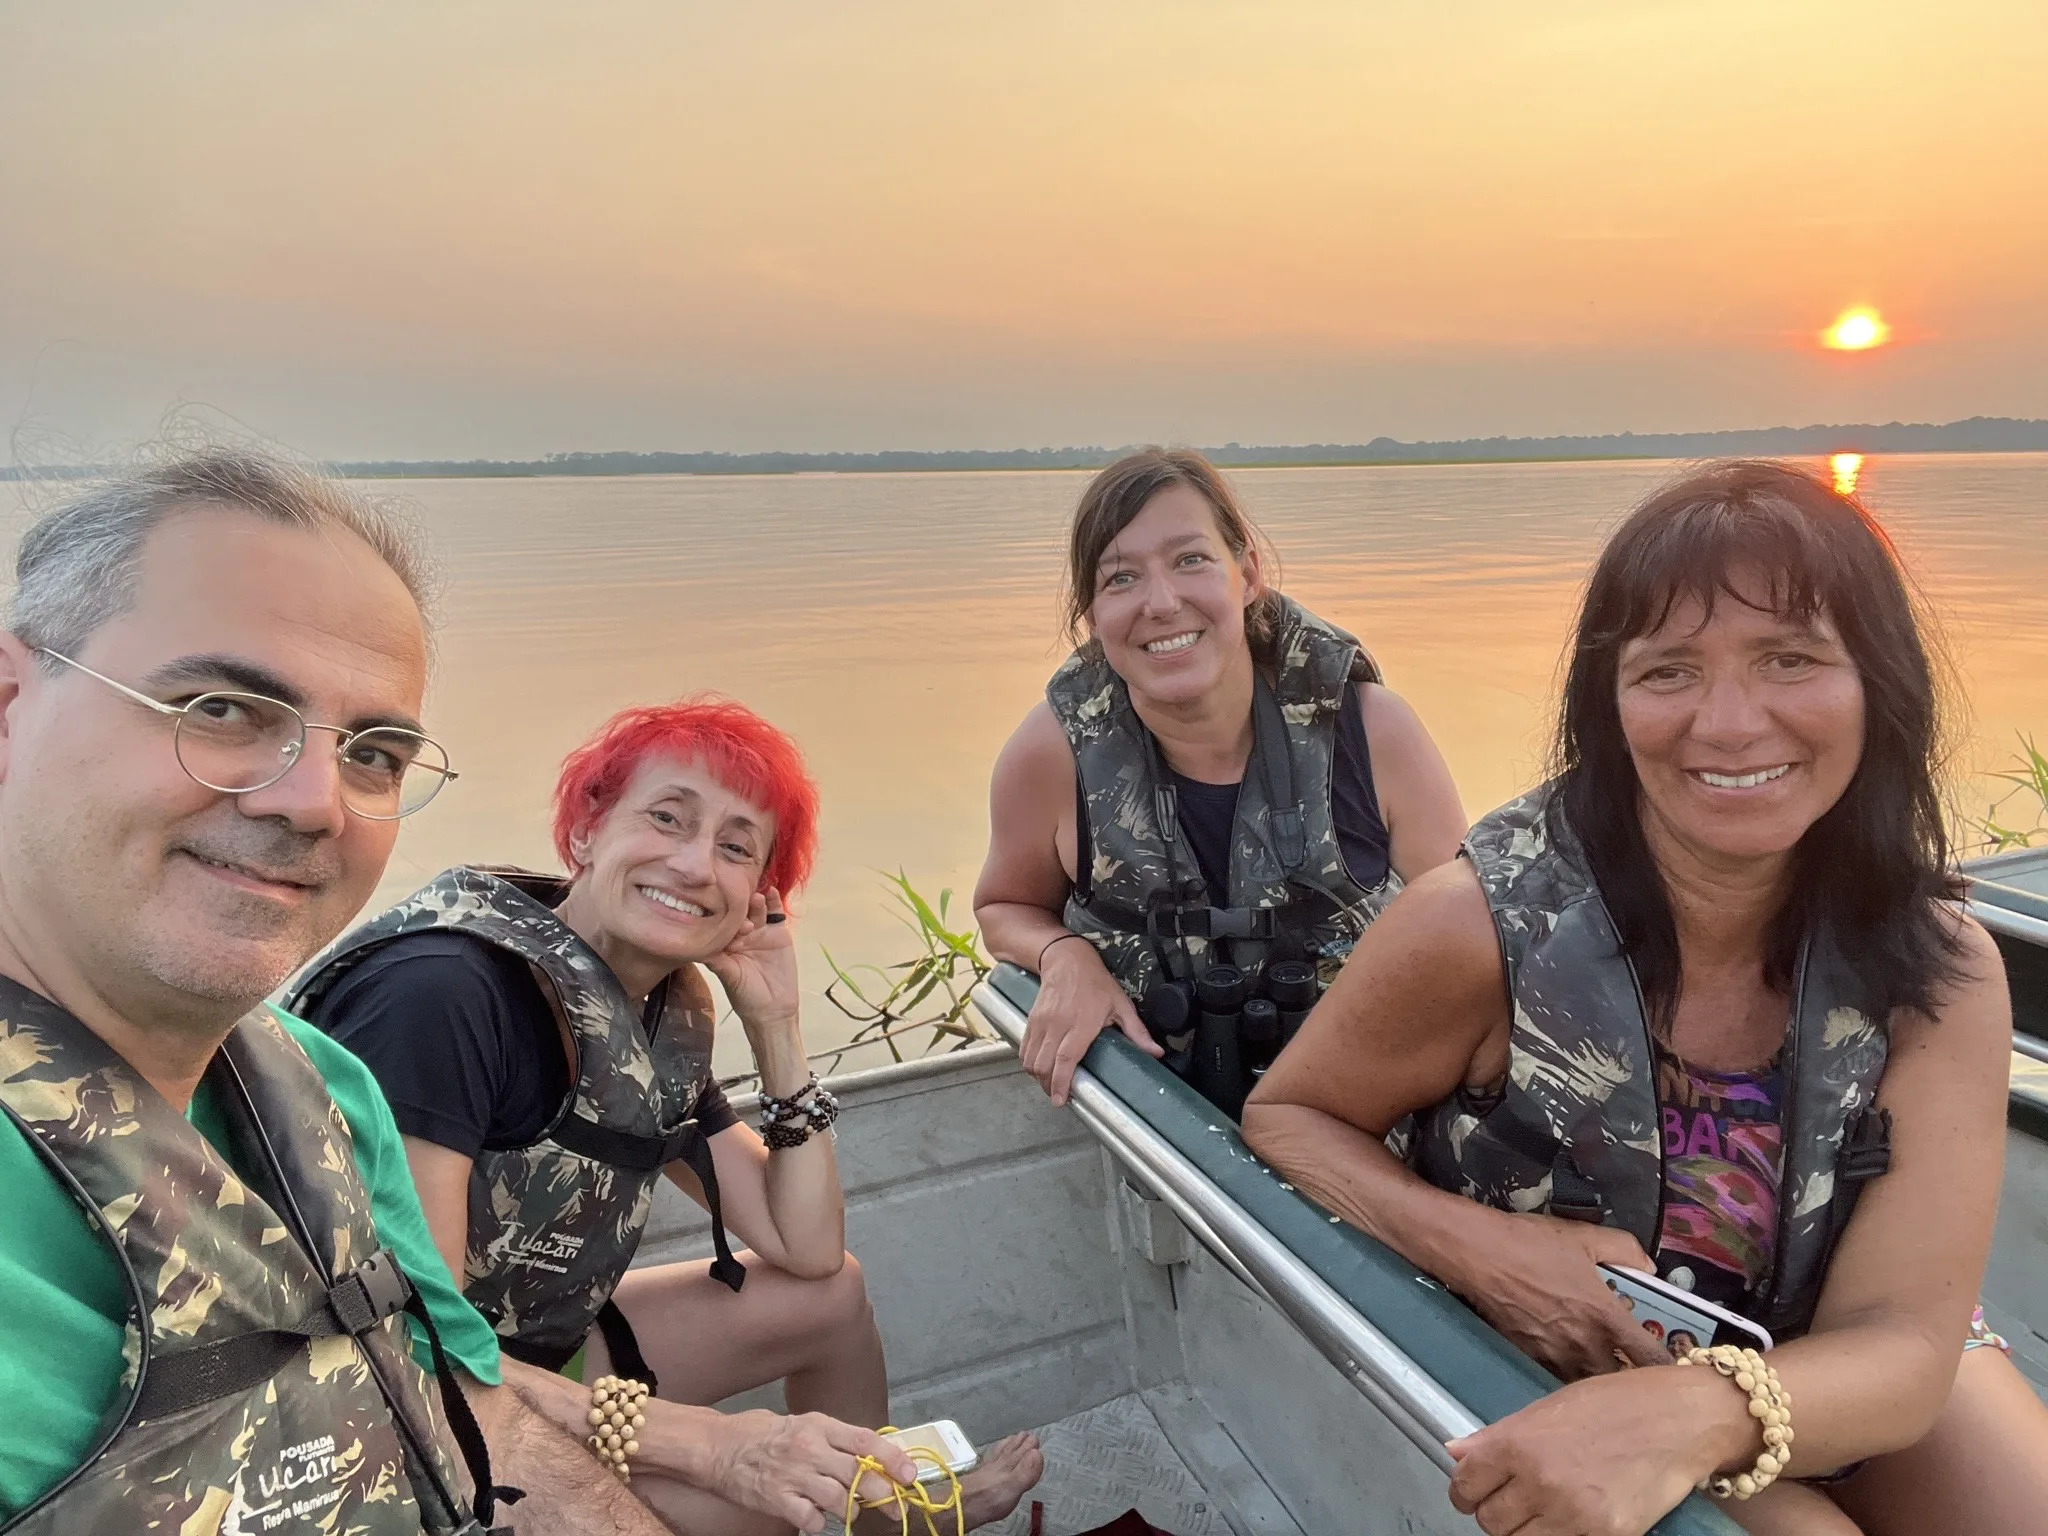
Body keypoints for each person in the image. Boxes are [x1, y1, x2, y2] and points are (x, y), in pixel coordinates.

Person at [1244, 460, 2048, 1536]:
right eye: (1667, 671)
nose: (1726, 722)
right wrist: (1482, 1250)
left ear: (1875, 683)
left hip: (1833, 1349)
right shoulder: (1474, 927)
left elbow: (1904, 1343)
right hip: (1574, 1357)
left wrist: (1700, 1410)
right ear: (1608, 704)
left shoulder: (1936, 966)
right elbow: (1286, 1118)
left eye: (1788, 658)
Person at [0, 450, 669, 1534]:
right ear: (9, 707)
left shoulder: (319, 1084)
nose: (314, 801)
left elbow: (474, 1412)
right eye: (221, 708)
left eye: (374, 751)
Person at [293, 699, 1043, 1534]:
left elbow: (806, 1246)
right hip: (385, 1410)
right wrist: (707, 1447)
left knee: (831, 1297)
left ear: (756, 899)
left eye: (734, 847)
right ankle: (848, 1514)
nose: (694, 865)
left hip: (537, 1350)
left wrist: (778, 1025)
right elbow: (410, 1339)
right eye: (666, 819)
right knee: (768, 1506)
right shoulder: (443, 997)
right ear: (584, 833)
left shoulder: (654, 1012)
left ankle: (884, 1520)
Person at [974, 448, 1467, 1110]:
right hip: (1165, 1130)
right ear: (1092, 615)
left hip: (1367, 1116)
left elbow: (1467, 938)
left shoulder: (1372, 733)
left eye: (1190, 560)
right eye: (1121, 578)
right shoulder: (1051, 754)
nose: (1161, 602)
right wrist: (1064, 956)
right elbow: (1004, 908)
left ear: (1248, 574)